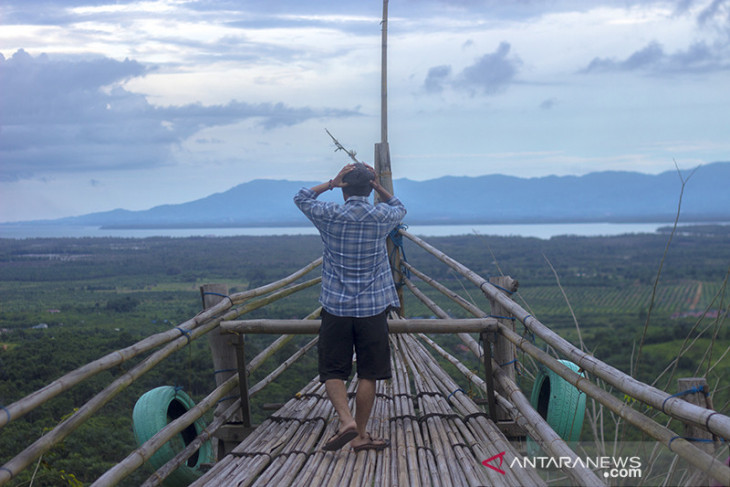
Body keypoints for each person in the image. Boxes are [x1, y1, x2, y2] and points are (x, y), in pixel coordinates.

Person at [293, 162, 406, 452]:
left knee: (333, 369)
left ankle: (346, 421)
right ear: (370, 189)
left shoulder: (330, 214)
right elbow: (400, 208)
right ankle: (361, 434)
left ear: (344, 188)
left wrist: (332, 182)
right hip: (373, 309)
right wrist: (379, 185)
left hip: (335, 306)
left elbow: (302, 197)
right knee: (368, 372)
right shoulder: (381, 216)